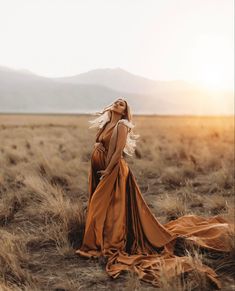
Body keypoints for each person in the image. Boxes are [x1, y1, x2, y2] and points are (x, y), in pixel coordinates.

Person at [75, 97, 233, 289]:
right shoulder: (108, 123)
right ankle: (98, 240)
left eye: (122, 104)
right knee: (102, 205)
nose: (118, 103)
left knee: (106, 207)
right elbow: (102, 143)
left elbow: (118, 151)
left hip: (114, 171)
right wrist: (97, 149)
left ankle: (104, 244)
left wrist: (108, 170)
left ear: (125, 111)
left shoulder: (123, 125)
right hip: (101, 169)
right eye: (116, 101)